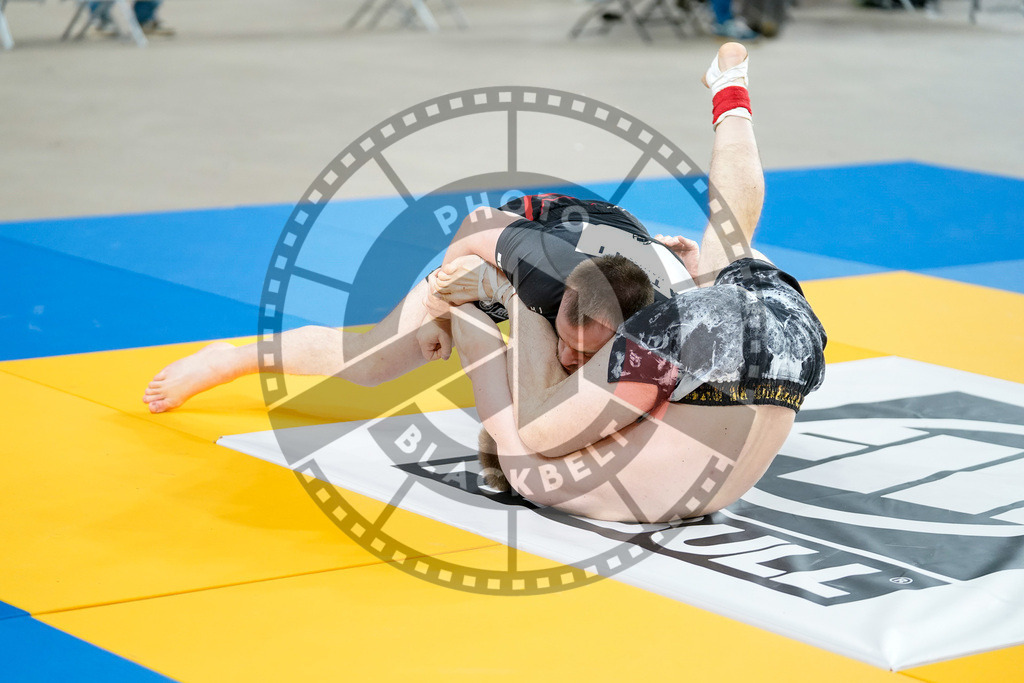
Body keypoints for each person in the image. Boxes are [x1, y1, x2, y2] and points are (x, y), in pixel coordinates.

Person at [442, 42, 827, 524]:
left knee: (732, 244)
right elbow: (489, 375)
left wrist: (700, 284)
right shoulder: (534, 472)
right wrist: (481, 298)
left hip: (792, 343)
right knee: (537, 428)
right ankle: (731, 89)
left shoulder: (570, 466)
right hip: (727, 339)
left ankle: (730, 87)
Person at [142, 194, 698, 413]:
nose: (574, 358)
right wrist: (441, 304)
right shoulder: (539, 270)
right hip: (517, 233)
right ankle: (230, 358)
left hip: (623, 248)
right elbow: (477, 225)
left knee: (575, 381)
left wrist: (682, 265)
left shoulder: (665, 318)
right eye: (571, 346)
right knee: (370, 364)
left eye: (584, 349)